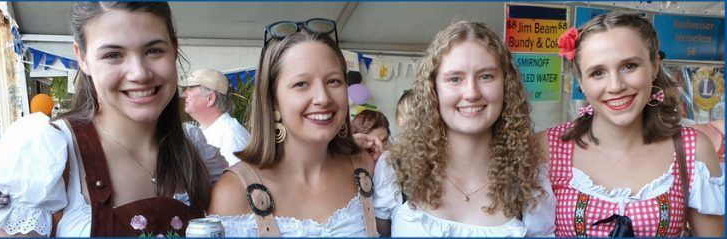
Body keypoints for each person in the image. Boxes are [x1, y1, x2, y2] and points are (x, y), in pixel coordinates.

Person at [0, 2, 227, 237]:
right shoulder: (46, 155)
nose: (139, 73)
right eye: (113, 55)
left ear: (175, 49)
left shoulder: (197, 154)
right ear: (82, 57)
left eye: (153, 50)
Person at [540, 12, 723, 237]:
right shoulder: (546, 148)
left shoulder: (692, 149)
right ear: (581, 82)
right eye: (598, 73)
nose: (616, 86)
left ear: (654, 66)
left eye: (629, 66)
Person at [377, 21, 555, 237]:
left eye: (486, 76)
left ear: (506, 86)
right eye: (455, 79)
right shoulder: (395, 170)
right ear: (433, 89)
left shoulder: (531, 180)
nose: (471, 93)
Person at [207, 18, 378, 237]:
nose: (323, 98)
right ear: (273, 100)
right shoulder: (234, 192)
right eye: (301, 84)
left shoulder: (365, 166)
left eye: (333, 81)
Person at [181, 68, 251, 165]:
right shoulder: (214, 131)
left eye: (191, 87)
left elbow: (240, 179)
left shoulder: (231, 137)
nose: (183, 94)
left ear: (210, 98)